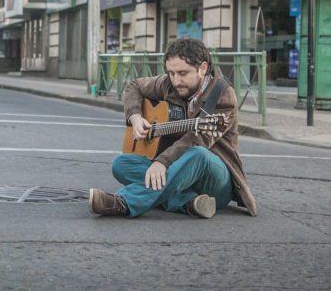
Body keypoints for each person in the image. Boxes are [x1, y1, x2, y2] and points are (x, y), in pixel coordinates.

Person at [88, 37, 257, 219]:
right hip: (178, 171)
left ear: (203, 68)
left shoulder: (222, 94)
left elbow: (196, 139)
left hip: (215, 179)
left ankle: (124, 203)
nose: (176, 80)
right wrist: (136, 117)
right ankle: (189, 203)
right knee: (121, 164)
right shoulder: (169, 84)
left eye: (183, 73)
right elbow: (133, 86)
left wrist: (162, 161)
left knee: (198, 153)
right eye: (171, 73)